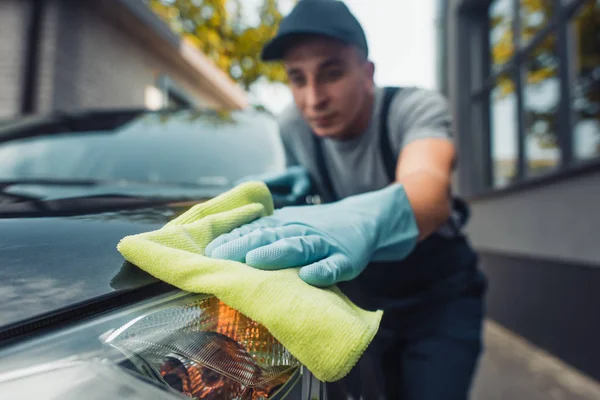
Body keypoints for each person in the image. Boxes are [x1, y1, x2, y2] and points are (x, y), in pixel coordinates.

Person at [205, 0, 487, 398]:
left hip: (440, 301)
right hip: (366, 305)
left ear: (367, 73)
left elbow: (429, 188)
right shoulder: (292, 126)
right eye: (296, 79)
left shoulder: (411, 107)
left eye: (331, 73)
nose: (313, 99)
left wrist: (362, 218)